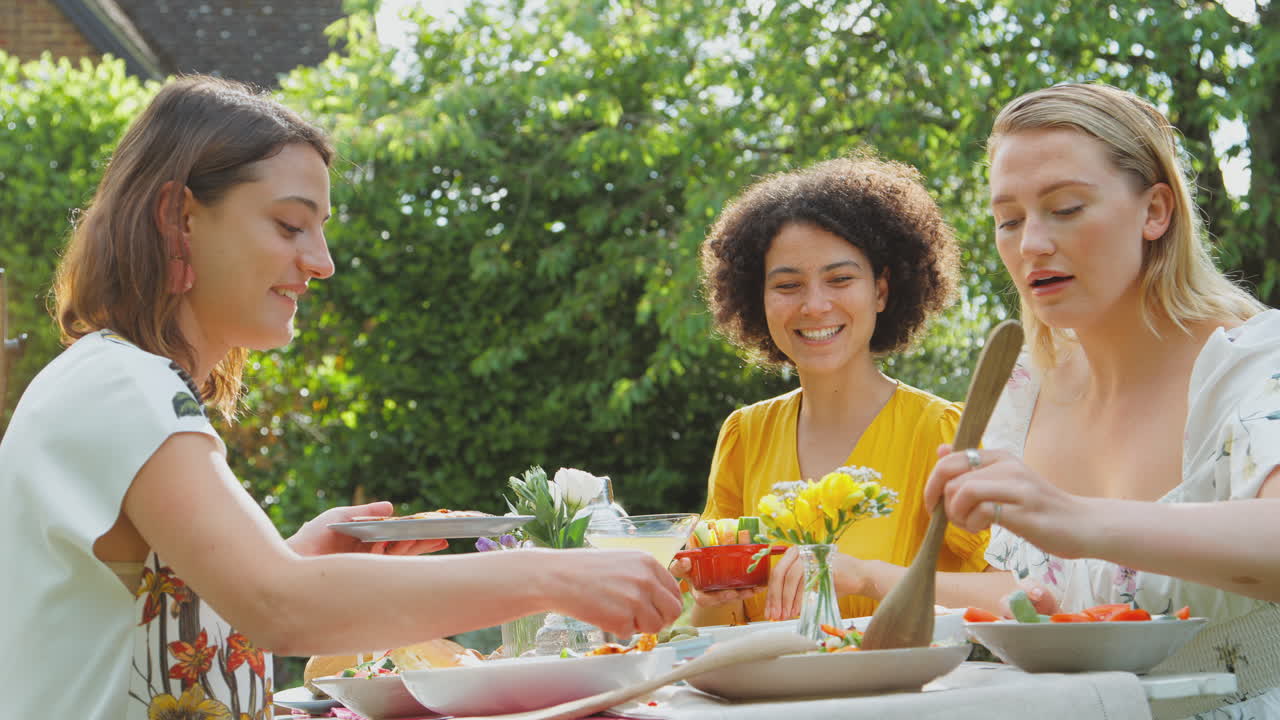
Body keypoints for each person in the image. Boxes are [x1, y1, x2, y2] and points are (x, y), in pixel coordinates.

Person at [0, 75, 682, 720]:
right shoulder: (122, 386)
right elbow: (278, 608)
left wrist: (294, 557)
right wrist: (553, 576)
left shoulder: (116, 381)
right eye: (291, 226)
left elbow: (215, 607)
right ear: (179, 217)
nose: (322, 261)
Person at [924, 83, 1280, 719]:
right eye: (1008, 219)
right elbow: (1031, 592)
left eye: (1065, 207)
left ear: (1155, 212)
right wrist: (870, 579)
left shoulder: (1256, 359)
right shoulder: (1024, 389)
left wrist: (1076, 516)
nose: (1030, 243)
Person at [673, 154, 991, 626]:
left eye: (840, 279)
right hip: (769, 700)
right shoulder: (744, 435)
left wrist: (866, 576)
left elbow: (1023, 595)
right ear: (757, 298)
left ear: (881, 291)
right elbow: (714, 634)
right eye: (787, 285)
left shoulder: (945, 433)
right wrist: (710, 595)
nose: (815, 305)